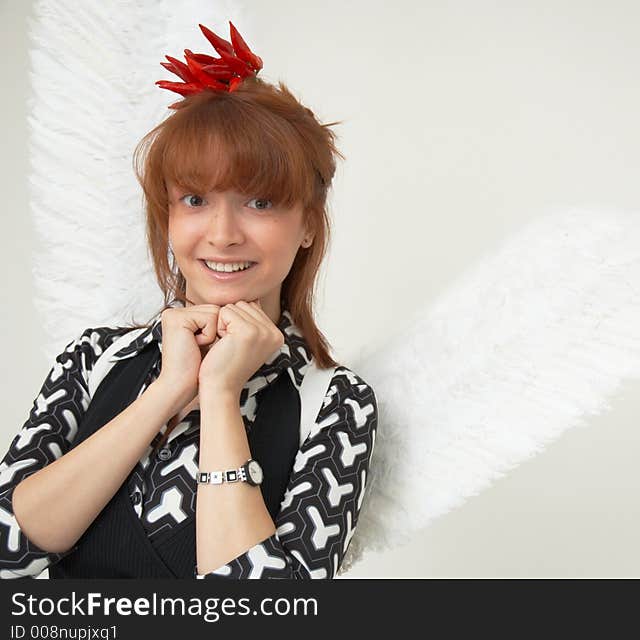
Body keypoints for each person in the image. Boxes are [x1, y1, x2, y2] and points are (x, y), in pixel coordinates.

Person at [0, 22, 378, 579]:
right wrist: (169, 389)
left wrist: (221, 393)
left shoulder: (336, 404)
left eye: (260, 201)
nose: (222, 234)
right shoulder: (93, 360)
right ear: (168, 217)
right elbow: (10, 552)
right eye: (195, 199)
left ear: (306, 226)